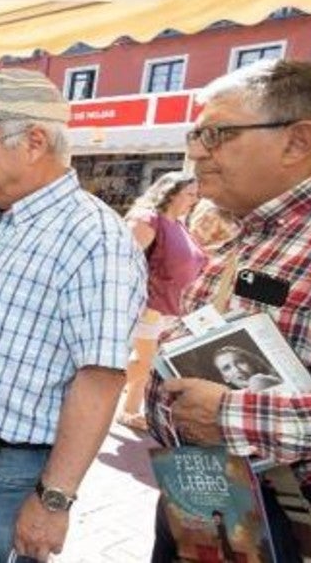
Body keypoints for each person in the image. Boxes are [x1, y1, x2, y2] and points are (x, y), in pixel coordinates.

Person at [0, 69, 146, 563]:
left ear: (34, 141)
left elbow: (99, 380)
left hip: (6, 468)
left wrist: (54, 500)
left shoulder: (94, 238)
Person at [144, 59, 311, 562]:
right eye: (196, 134)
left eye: (217, 134)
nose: (196, 152)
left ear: (298, 141)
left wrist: (233, 415)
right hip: (210, 502)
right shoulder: (265, 225)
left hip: (301, 527)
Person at [117, 171, 206, 432]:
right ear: (170, 192)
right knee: (143, 361)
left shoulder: (178, 223)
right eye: (190, 193)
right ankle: (95, 392)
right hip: (149, 304)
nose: (195, 199)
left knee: (147, 361)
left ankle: (130, 410)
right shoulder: (148, 219)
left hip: (170, 306)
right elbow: (124, 263)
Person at [211, 345, 282, 391]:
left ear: (251, 362)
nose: (237, 370)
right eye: (227, 368)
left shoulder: (258, 380)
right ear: (225, 378)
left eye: (240, 362)